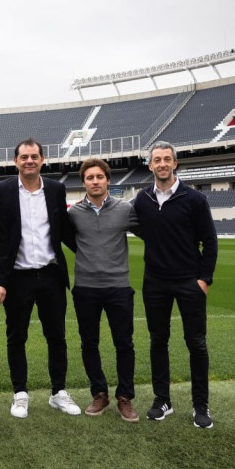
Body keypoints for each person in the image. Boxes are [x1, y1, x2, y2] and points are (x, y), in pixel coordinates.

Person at [133, 141, 218, 429]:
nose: (162, 164)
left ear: (175, 163)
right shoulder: (142, 199)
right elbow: (142, 230)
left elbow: (210, 241)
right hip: (155, 283)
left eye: (167, 159)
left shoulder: (194, 199)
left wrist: (204, 280)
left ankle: (200, 405)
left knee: (196, 343)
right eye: (157, 159)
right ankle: (162, 400)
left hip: (188, 283)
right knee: (158, 341)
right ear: (150, 165)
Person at [0, 138, 79, 419]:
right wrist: (0, 278)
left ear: (43, 160)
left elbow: (64, 230)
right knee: (16, 336)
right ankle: (20, 394)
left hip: (51, 274)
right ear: (15, 161)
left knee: (57, 336)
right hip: (18, 277)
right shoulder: (2, 190)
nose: (29, 161)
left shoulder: (55, 189)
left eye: (34, 156)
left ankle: (58, 392)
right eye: (24, 157)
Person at [68, 158, 141, 423]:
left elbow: (151, 232)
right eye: (90, 178)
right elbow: (66, 237)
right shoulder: (74, 213)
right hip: (85, 288)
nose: (95, 181)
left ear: (108, 180)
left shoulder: (125, 209)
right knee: (89, 343)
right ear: (83, 182)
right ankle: (99, 393)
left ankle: (125, 397)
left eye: (99, 177)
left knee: (124, 343)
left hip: (118, 287)